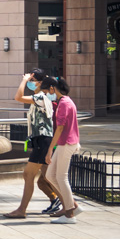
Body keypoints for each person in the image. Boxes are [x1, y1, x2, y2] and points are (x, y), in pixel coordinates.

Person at [4, 69, 61, 219]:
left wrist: (23, 80)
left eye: (32, 79)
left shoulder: (42, 97)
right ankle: (70, 204)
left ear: (40, 82)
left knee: (28, 174)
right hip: (40, 140)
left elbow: (18, 97)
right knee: (49, 177)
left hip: (43, 140)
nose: (30, 81)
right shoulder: (40, 97)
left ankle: (22, 210)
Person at [47, 76, 82, 223]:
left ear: (52, 89)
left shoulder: (64, 103)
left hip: (66, 143)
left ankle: (69, 214)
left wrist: (50, 150)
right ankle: (72, 205)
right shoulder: (66, 101)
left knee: (61, 177)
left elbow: (60, 128)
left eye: (46, 90)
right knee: (50, 175)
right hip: (66, 143)